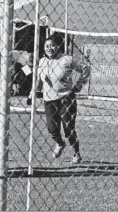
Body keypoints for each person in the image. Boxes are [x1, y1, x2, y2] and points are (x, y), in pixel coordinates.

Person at [27, 35, 91, 164]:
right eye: (47, 46)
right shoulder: (42, 62)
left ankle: (76, 153)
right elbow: (39, 80)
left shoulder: (66, 60)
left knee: (68, 129)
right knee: (52, 129)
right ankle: (60, 143)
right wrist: (32, 94)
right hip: (49, 100)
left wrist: (78, 86)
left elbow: (86, 68)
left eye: (52, 45)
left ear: (58, 46)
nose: (49, 48)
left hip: (66, 98)